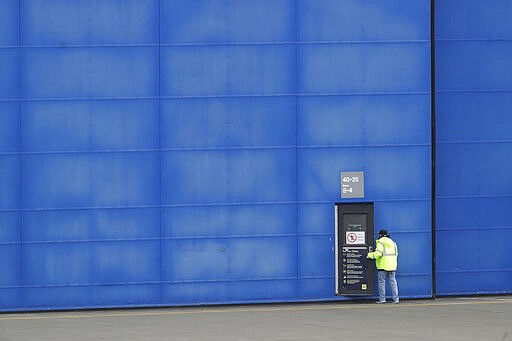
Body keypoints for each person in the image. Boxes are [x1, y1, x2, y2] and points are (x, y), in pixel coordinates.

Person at [367, 229, 399, 303]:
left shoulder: (381, 242)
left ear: (380, 235)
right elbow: (396, 253)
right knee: (393, 282)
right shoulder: (393, 243)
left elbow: (378, 254)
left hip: (383, 266)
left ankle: (382, 299)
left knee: (381, 283)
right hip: (392, 266)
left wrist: (369, 255)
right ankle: (396, 299)